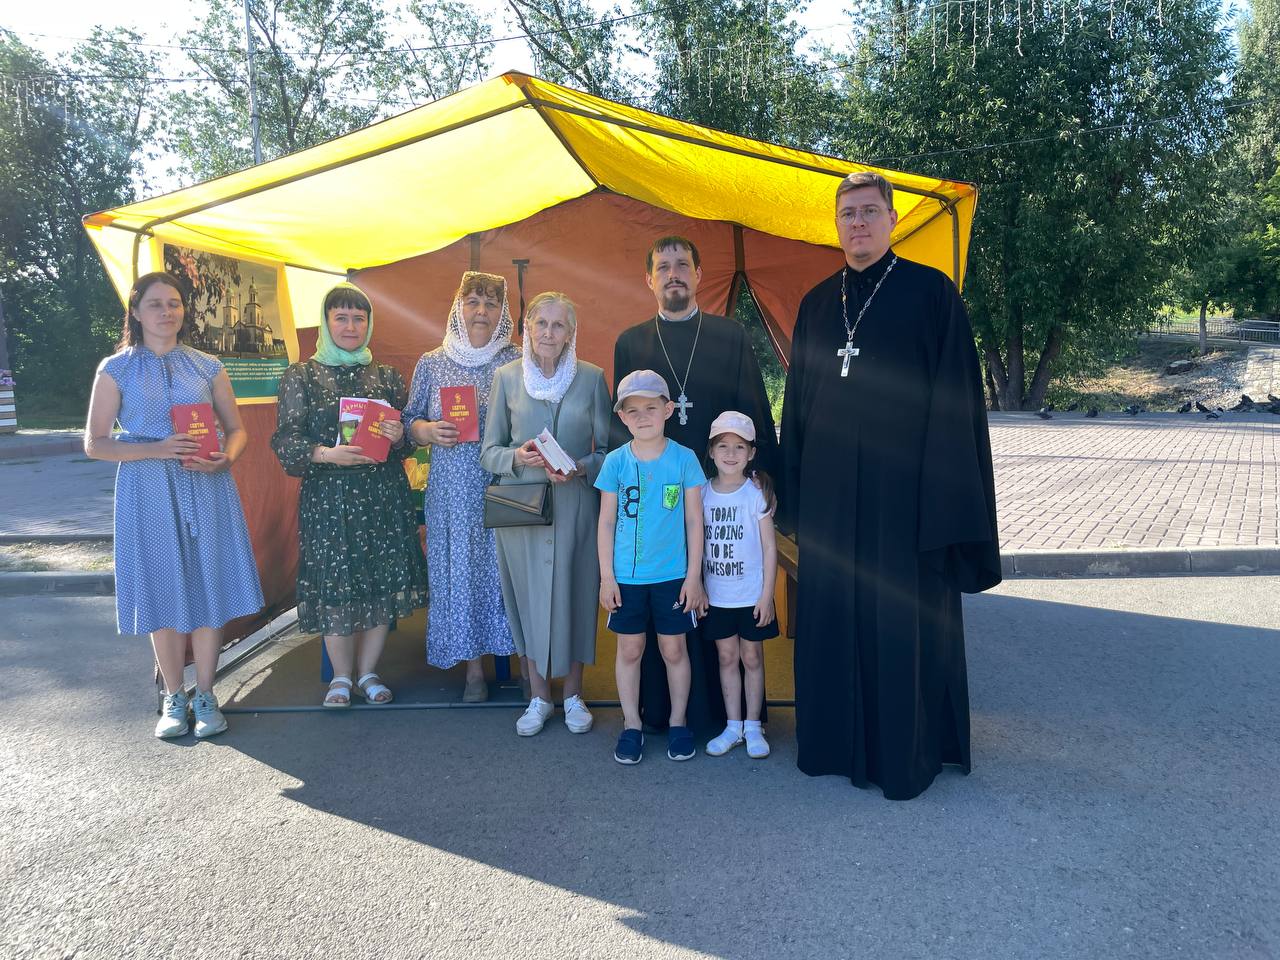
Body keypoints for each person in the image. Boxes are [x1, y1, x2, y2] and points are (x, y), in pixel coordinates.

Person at [779, 170, 1001, 801]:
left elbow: (958, 406)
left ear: (892, 219)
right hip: (830, 500)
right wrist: (792, 495)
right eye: (848, 213)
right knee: (836, 617)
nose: (858, 223)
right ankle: (831, 745)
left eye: (870, 212)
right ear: (837, 222)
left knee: (899, 621)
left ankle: (905, 753)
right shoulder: (819, 304)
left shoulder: (932, 295)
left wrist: (944, 503)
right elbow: (797, 405)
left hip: (904, 500)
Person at [611, 236, 779, 738]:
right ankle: (664, 716)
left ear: (700, 274)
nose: (673, 273)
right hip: (660, 505)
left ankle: (733, 718)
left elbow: (755, 412)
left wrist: (761, 479)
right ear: (649, 279)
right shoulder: (630, 341)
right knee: (668, 602)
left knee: (724, 592)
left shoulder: (730, 336)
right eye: (662, 266)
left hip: (721, 495)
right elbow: (622, 424)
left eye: (683, 264)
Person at [85, 271, 264, 739]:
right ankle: (173, 694)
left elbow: (238, 429)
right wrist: (157, 448)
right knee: (161, 586)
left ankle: (206, 693)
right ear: (136, 311)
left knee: (207, 584)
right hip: (147, 489)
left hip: (206, 486)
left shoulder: (207, 366)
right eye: (156, 304)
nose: (167, 312)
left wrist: (226, 459)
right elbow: (96, 444)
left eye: (175, 303)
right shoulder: (115, 368)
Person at [271, 283, 428, 707]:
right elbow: (285, 442)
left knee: (379, 580)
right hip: (329, 497)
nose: (350, 326)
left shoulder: (388, 377)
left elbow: (408, 441)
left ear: (369, 323)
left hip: (382, 494)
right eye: (340, 317)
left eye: (359, 318)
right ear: (325, 322)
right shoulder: (300, 376)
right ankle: (340, 677)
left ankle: (370, 672)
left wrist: (399, 435)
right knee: (337, 583)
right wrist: (326, 454)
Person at [480, 292, 612, 736]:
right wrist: (518, 456)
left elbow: (610, 451)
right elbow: (488, 451)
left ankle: (574, 694)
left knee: (576, 594)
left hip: (576, 506)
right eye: (542, 324)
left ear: (571, 333)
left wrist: (581, 467)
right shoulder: (506, 378)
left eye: (559, 326)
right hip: (522, 509)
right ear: (527, 330)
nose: (549, 333)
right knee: (528, 600)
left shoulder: (592, 378)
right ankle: (539, 696)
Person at [406, 272, 519, 701]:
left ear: (502, 313)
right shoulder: (432, 362)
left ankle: (523, 663)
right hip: (451, 491)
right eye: (473, 302)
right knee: (463, 574)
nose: (481, 312)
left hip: (502, 483)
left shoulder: (514, 360)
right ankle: (473, 670)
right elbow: (406, 422)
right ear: (458, 308)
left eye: (491, 304)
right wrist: (428, 431)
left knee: (506, 575)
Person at [596, 370, 707, 765]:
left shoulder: (685, 459)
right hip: (626, 578)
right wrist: (607, 576)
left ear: (668, 410)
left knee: (674, 648)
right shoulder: (614, 463)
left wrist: (694, 576)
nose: (643, 417)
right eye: (633, 410)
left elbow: (695, 521)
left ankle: (678, 723)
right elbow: (606, 522)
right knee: (630, 648)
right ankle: (631, 725)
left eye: (651, 408)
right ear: (622, 417)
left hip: (673, 577)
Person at [699, 411, 779, 760]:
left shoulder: (755, 494)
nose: (730, 453)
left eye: (739, 447)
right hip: (717, 595)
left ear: (750, 454)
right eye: (723, 446)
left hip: (750, 595)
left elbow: (769, 548)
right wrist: (699, 586)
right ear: (712, 451)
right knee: (727, 656)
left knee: (752, 656)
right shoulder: (701, 494)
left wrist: (767, 595)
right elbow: (696, 544)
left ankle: (753, 726)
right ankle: (733, 725)